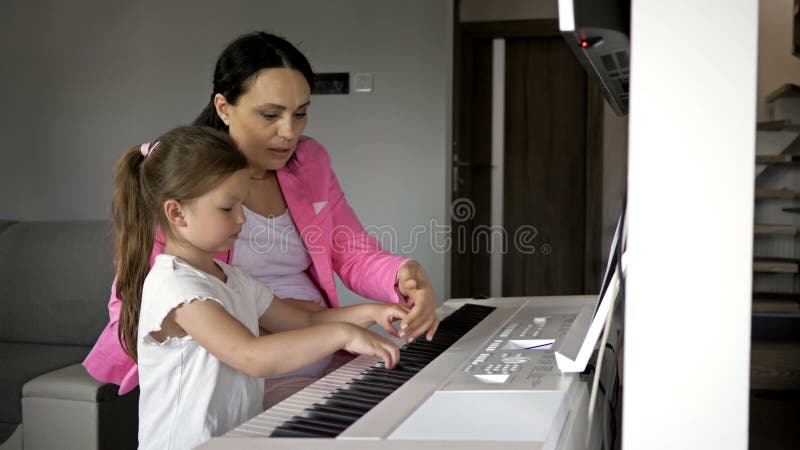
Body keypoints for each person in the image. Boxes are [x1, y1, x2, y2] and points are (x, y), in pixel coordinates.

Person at [84, 31, 440, 405]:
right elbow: (139, 310)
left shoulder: (309, 163)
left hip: (320, 355)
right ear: (224, 107)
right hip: (238, 376)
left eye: (300, 114)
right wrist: (288, 324)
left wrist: (402, 276)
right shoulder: (180, 181)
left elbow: (349, 250)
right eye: (270, 115)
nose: (289, 133)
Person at [115, 125, 406, 449]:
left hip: (235, 440)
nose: (242, 219)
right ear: (177, 212)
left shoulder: (232, 277)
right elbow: (252, 356)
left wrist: (373, 312)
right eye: (227, 208)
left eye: (241, 205)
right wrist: (345, 335)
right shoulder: (176, 288)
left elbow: (305, 321)